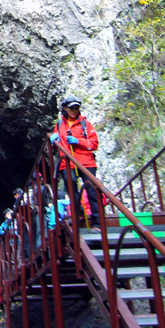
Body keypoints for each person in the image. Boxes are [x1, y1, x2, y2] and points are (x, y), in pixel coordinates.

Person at [49, 95, 101, 231]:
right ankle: (78, 215)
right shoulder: (60, 124)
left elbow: (94, 144)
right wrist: (53, 141)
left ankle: (97, 222)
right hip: (67, 162)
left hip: (85, 162)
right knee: (71, 189)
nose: (74, 110)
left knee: (92, 189)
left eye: (77, 108)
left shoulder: (86, 124)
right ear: (65, 108)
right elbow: (56, 143)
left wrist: (79, 141)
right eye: (71, 108)